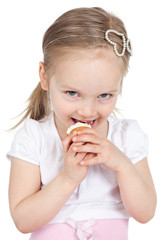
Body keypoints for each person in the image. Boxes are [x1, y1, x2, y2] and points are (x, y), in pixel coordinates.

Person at [8, 7, 157, 240]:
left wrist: (122, 165)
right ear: (45, 77)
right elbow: (22, 221)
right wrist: (68, 179)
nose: (87, 111)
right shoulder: (33, 138)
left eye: (104, 95)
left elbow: (146, 213)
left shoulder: (127, 137)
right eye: (72, 93)